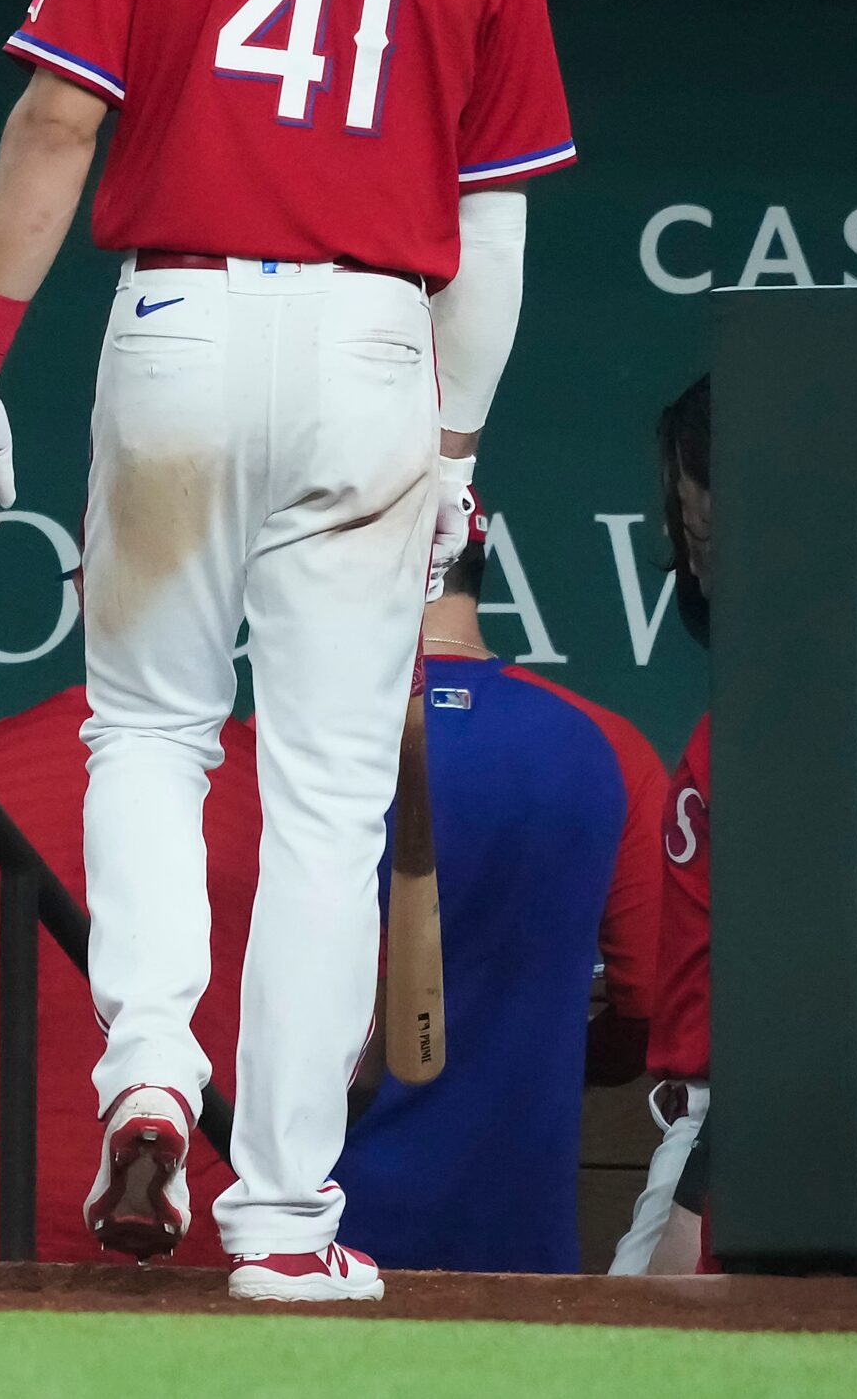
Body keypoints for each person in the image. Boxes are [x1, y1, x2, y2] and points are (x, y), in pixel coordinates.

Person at [0, 0, 573, 1303]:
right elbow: (493, 239)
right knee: (330, 795)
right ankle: (282, 1213)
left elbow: (61, 112)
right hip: (371, 342)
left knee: (144, 727)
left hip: (182, 319)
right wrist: (459, 448)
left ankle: (147, 1063)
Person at [612, 376, 857, 1274]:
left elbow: (791, 985)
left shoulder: (777, 710)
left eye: (700, 531)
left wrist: (699, 1195)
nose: (693, 562)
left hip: (758, 1137)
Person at [332, 505, 668, 1272]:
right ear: (475, 569)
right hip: (521, 1230)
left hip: (322, 1234)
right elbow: (645, 1008)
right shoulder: (609, 745)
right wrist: (527, 1061)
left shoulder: (300, 745)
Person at [0, 682, 264, 1265]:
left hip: (6, 1210)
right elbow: (354, 1060)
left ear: (79, 588)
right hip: (222, 1210)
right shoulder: (270, 784)